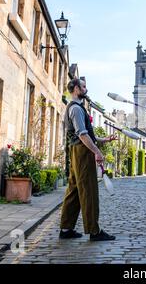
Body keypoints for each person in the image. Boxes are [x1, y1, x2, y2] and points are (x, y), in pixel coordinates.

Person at [60, 78, 118, 241]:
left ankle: (66, 229)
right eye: (83, 87)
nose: (86, 90)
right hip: (82, 152)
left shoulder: (75, 107)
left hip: (76, 151)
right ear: (76, 88)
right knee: (89, 190)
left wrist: (103, 140)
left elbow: (86, 133)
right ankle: (94, 231)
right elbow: (82, 134)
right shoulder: (77, 109)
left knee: (74, 190)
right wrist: (97, 152)